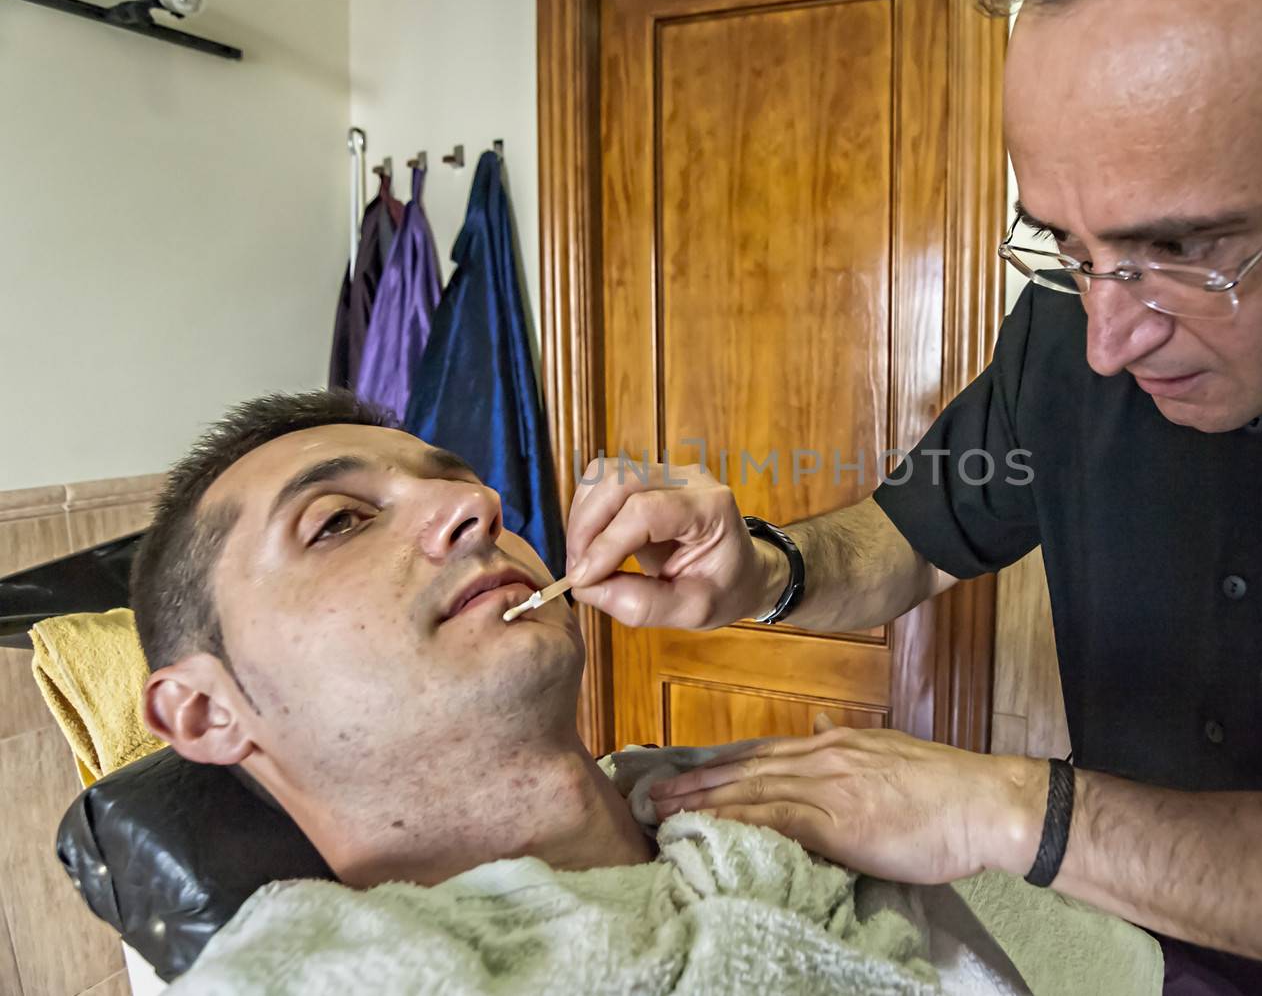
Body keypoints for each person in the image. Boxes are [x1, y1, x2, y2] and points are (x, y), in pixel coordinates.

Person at [560, 0, 1262, 992]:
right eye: (1063, 244)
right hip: (1156, 954)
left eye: (1187, 250)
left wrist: (1010, 808)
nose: (1109, 340)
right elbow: (912, 536)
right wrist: (763, 570)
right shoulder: (1070, 329)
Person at [128, 391, 1161, 995]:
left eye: (455, 478)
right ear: (207, 712)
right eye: (341, 521)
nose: (476, 502)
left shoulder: (796, 814)